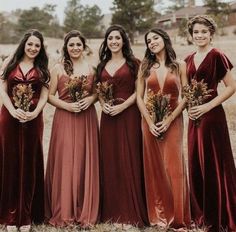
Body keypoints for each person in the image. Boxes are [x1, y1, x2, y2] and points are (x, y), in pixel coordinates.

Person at [185, 15, 236, 232]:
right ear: (191, 35)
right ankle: (201, 213)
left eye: (204, 31)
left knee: (215, 163)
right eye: (196, 32)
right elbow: (185, 90)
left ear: (211, 33)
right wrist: (190, 108)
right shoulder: (188, 59)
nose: (200, 35)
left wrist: (207, 107)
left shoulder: (217, 55)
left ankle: (220, 213)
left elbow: (231, 87)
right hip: (193, 118)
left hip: (212, 116)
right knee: (196, 161)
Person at [136, 28, 191, 229]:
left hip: (173, 120)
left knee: (173, 168)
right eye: (148, 40)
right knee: (154, 168)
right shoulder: (144, 67)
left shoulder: (180, 66)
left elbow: (185, 96)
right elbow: (139, 98)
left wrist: (169, 119)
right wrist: (150, 122)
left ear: (165, 39)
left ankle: (178, 218)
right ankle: (158, 216)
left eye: (155, 38)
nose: (152, 42)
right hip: (149, 122)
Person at [44, 30, 99, 227]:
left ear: (84, 46)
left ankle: (84, 207)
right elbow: (49, 96)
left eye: (78, 44)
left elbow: (97, 93)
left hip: (86, 118)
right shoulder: (58, 68)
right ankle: (65, 209)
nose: (75, 48)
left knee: (84, 159)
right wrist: (67, 105)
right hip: (65, 117)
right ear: (66, 47)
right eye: (71, 45)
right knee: (66, 160)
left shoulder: (92, 68)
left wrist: (90, 100)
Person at [96, 24, 149, 228]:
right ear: (106, 42)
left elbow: (139, 92)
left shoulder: (135, 63)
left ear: (124, 41)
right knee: (110, 159)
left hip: (129, 115)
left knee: (130, 157)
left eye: (118, 38)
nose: (114, 42)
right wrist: (103, 105)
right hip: (108, 117)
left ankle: (130, 211)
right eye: (110, 38)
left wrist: (124, 106)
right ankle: (113, 210)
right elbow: (99, 91)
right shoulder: (101, 65)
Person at [0, 29, 50, 232]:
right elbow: (2, 90)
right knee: (9, 162)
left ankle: (27, 214)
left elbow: (45, 95)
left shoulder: (43, 68)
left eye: (37, 45)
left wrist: (35, 112)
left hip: (33, 120)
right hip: (8, 119)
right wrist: (12, 111)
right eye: (30, 44)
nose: (33, 48)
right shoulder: (9, 63)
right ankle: (10, 215)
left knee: (30, 163)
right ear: (24, 44)